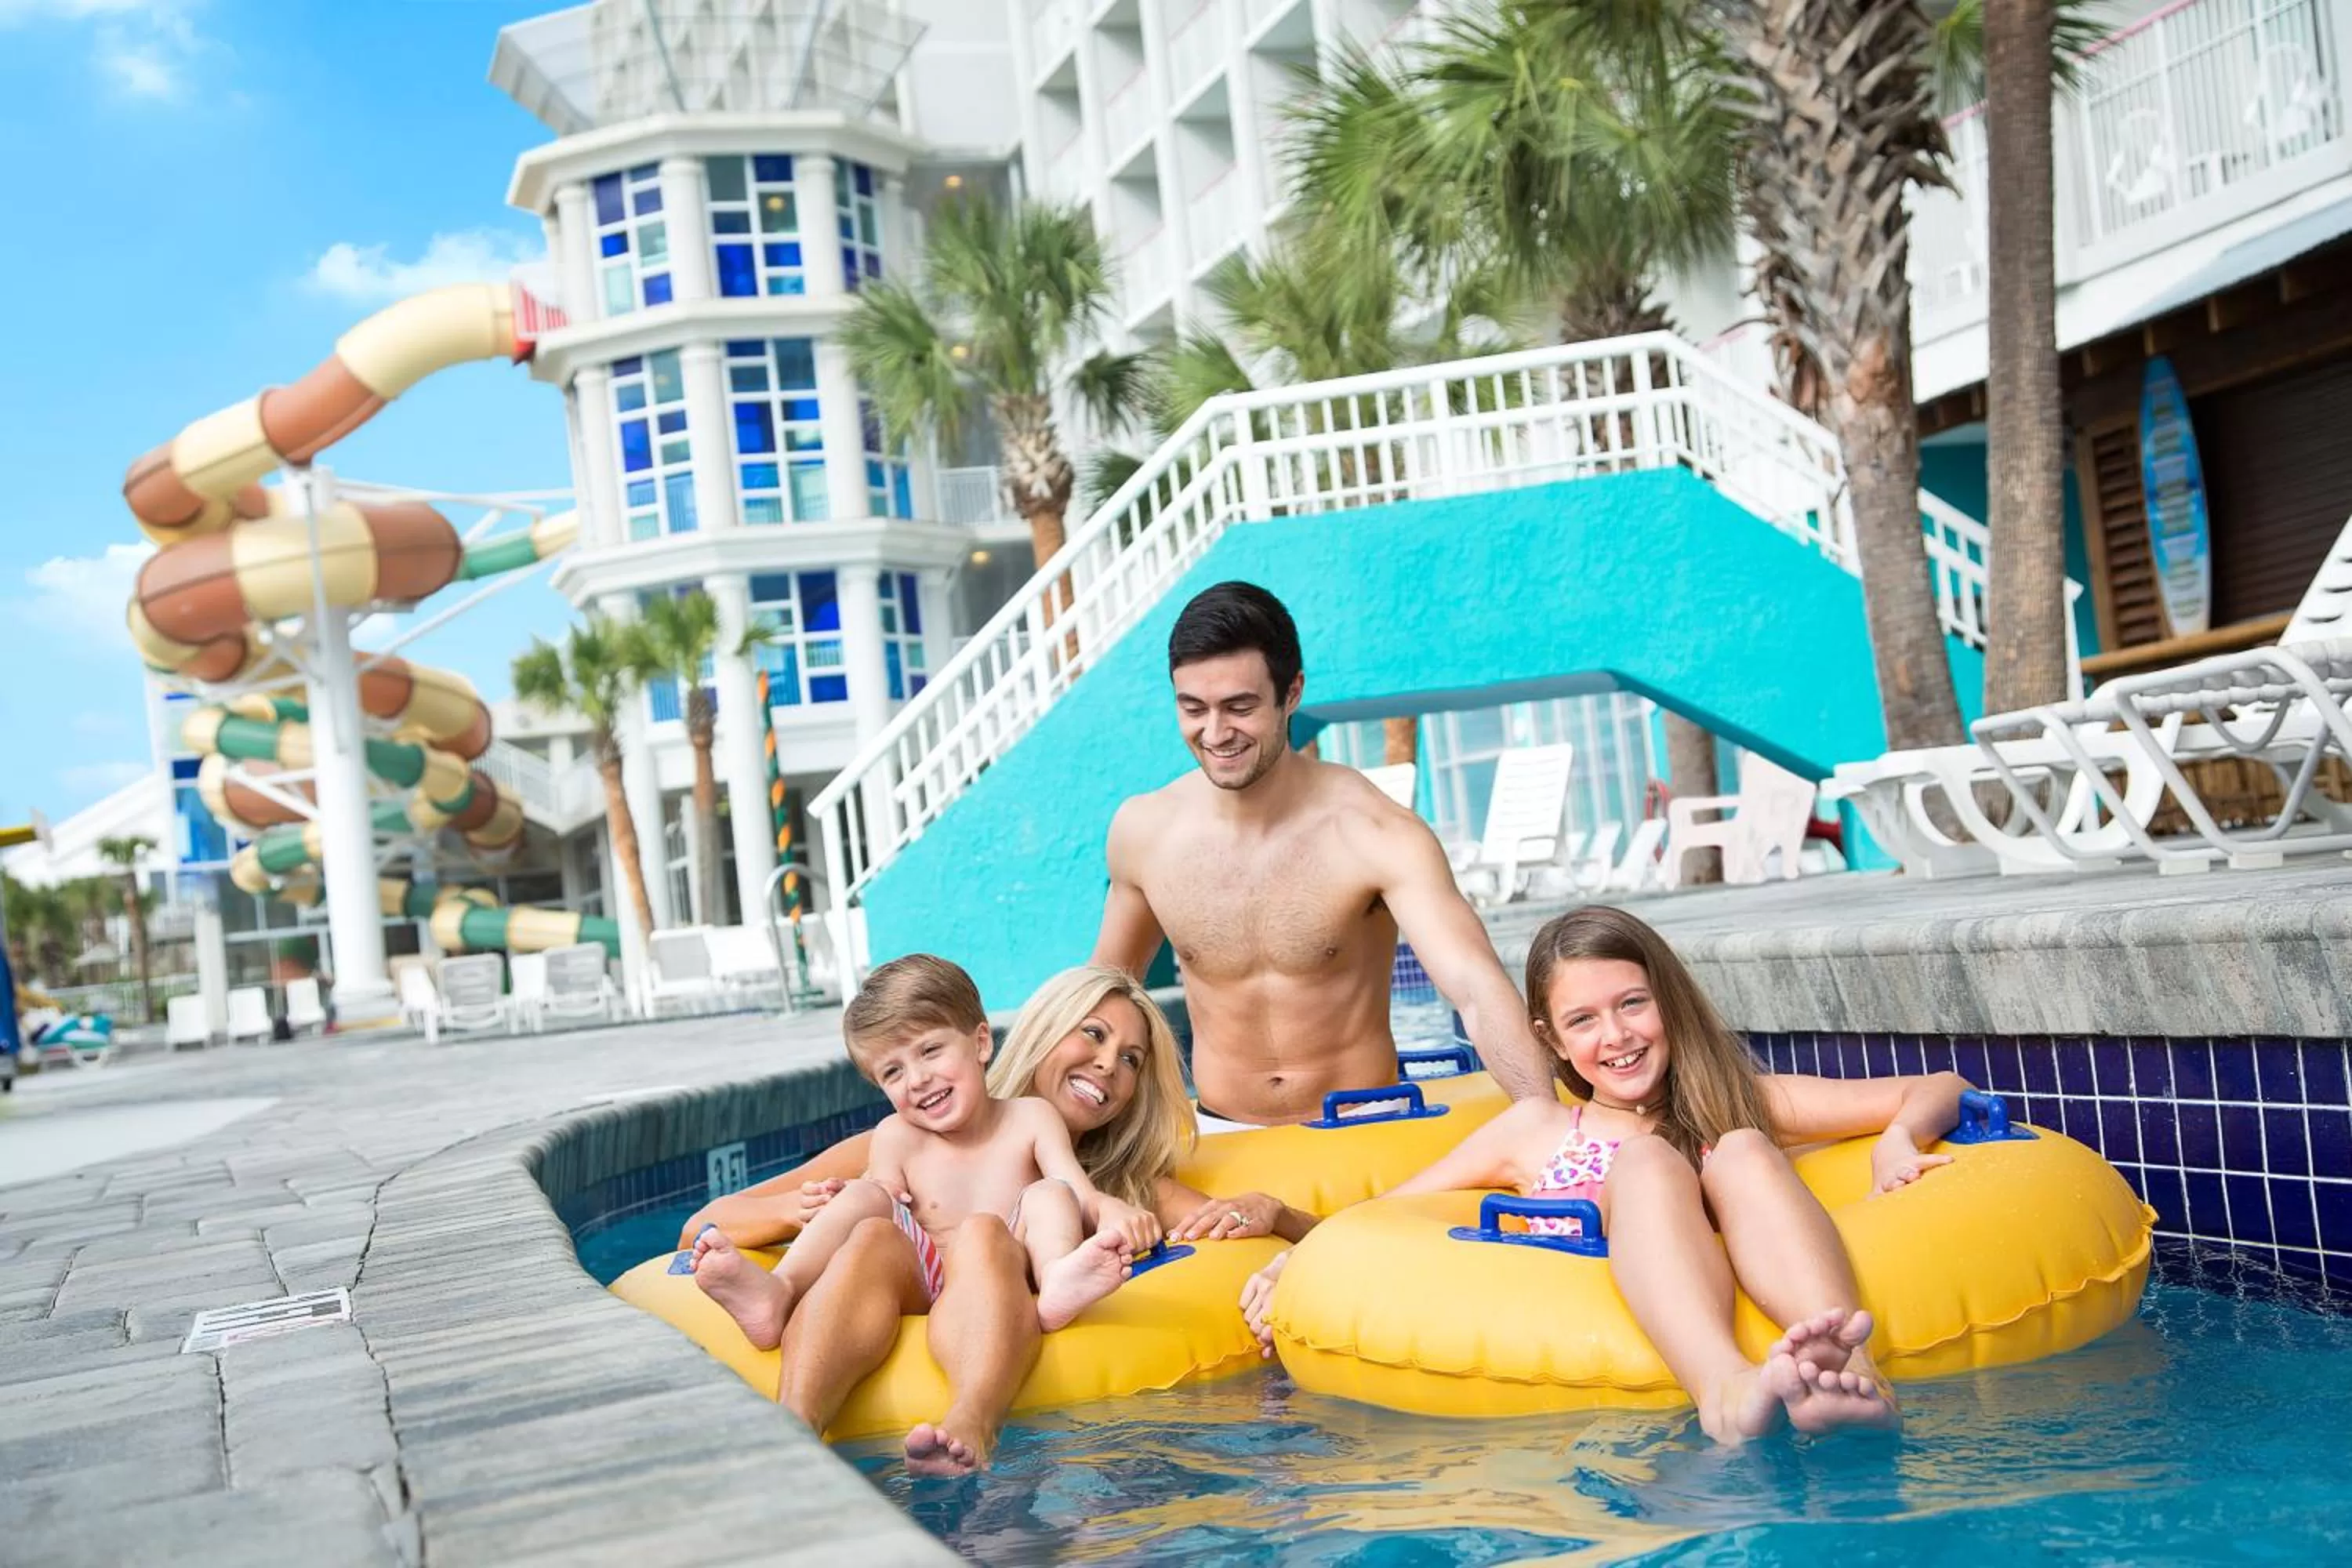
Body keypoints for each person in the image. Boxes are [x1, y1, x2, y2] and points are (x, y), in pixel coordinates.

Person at [1242, 906, 1969, 1446]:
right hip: (1589, 1346)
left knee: (1744, 1146)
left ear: (1667, 1002)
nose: (1616, 1037)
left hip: (1752, 1280)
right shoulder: (1537, 1130)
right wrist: (1291, 1256)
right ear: (1552, 1040)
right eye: (1583, 1020)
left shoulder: (1738, 1102)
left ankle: (1852, 1370)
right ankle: (1725, 1389)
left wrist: (1897, 1140)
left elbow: (1941, 1085)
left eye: (1632, 1004)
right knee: (1647, 1159)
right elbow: (1383, 1220)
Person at [688, 963, 1303, 1477]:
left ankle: (971, 1421)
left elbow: (1300, 1235)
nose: (1107, 1065)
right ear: (1041, 1034)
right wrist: (801, 1209)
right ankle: (795, 1423)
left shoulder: (1130, 1186)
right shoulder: (910, 1133)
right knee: (873, 1230)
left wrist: (1272, 1209)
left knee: (984, 1232)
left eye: (1131, 1059)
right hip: (899, 1275)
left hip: (1010, 1335)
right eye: (1091, 1035)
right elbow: (703, 1225)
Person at [1093, 581, 1555, 1128]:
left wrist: (1542, 1118)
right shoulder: (1144, 832)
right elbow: (1102, 994)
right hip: (1223, 1130)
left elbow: (1475, 988)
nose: (1215, 733)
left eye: (1240, 707)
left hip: (1366, 1126)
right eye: (1193, 708)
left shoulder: (1373, 831)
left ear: (1292, 693)